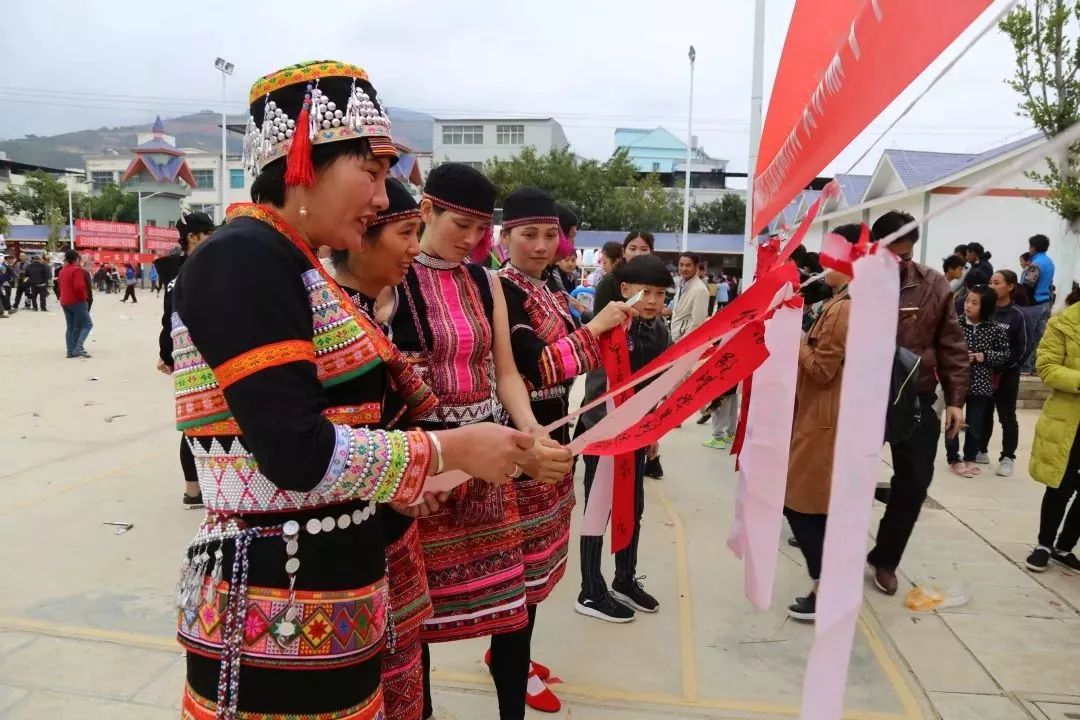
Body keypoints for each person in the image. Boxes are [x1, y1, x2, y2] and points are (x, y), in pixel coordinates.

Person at [169, 60, 538, 719]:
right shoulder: (242, 257)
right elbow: (296, 453)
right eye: (370, 173)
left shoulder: (295, 265)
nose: (379, 198)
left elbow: (358, 421)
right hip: (273, 616)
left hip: (327, 600)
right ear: (303, 162)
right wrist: (447, 453)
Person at [387, 163, 572, 720]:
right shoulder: (395, 277)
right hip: (431, 460)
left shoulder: (483, 280)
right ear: (426, 212)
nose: (471, 240)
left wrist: (532, 432)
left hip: (489, 458)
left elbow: (507, 373)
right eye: (460, 224)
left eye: (479, 228)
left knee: (511, 608)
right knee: (418, 618)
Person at [496, 186, 633, 712]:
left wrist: (606, 327)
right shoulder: (501, 291)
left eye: (550, 235)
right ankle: (510, 667)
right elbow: (539, 366)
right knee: (519, 577)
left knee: (539, 571)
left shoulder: (552, 283)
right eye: (528, 234)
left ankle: (517, 657)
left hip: (556, 435)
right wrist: (596, 331)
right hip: (519, 442)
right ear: (504, 237)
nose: (540, 245)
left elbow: (574, 347)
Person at [328, 177, 436, 720]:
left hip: (393, 526)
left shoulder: (371, 311)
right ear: (359, 236)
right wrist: (407, 476)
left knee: (406, 663)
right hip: (357, 535)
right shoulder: (334, 321)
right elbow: (337, 444)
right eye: (406, 233)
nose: (417, 247)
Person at [866, 210, 969, 595]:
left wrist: (956, 400)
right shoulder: (853, 282)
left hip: (916, 397)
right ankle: (829, 546)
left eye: (907, 255)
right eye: (893, 254)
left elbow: (952, 343)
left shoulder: (934, 284)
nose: (901, 262)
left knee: (914, 483)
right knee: (849, 478)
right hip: (863, 397)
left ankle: (885, 559)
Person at [574, 254, 671, 623]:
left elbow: (655, 385)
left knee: (634, 507)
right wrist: (608, 435)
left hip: (637, 435)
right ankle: (590, 588)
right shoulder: (608, 327)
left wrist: (652, 431)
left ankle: (625, 579)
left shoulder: (659, 331)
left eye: (660, 294)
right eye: (645, 291)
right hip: (604, 433)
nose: (651, 301)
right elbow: (597, 389)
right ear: (625, 290)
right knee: (598, 509)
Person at [784, 223, 863, 621]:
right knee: (822, 506)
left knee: (801, 505)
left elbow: (821, 369)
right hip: (836, 414)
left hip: (825, 418)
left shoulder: (842, 308)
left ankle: (826, 586)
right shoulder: (853, 301)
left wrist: (796, 340)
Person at [156, 211, 216, 509]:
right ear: (193, 237)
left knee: (195, 422)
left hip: (186, 356)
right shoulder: (197, 270)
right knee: (199, 422)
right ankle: (196, 489)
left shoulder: (177, 272)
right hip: (201, 356)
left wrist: (166, 354)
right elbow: (173, 320)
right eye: (208, 233)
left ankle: (194, 490)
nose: (213, 238)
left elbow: (167, 321)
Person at [1025, 286, 1080, 573]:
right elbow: (1046, 367)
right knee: (1061, 484)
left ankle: (1065, 545)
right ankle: (1044, 544)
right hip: (1068, 419)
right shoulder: (1064, 324)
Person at [944, 286, 1010, 478]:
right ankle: (953, 458)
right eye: (967, 301)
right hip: (956, 381)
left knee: (975, 423)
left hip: (981, 381)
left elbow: (1005, 354)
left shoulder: (996, 329)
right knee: (953, 421)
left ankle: (970, 457)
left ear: (986, 306)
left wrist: (984, 356)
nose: (968, 306)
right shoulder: (954, 324)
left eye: (974, 303)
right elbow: (944, 349)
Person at [978, 271, 1029, 476]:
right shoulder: (985, 311)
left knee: (1007, 416)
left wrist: (1005, 365)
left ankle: (1008, 457)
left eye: (997, 283)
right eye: (990, 282)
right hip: (985, 371)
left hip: (1007, 374)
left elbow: (1023, 347)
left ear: (1010, 286)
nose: (992, 286)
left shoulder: (1017, 315)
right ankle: (981, 450)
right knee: (984, 412)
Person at [594, 231, 653, 315]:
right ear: (624, 252)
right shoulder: (610, 281)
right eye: (632, 249)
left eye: (644, 249)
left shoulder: (653, 281)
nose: (638, 254)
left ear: (651, 252)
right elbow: (597, 320)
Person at [1023, 233, 1056, 374]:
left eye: (1030, 246)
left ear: (1034, 247)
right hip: (1045, 303)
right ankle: (1036, 367)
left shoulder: (1035, 264)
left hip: (1033, 304)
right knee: (1039, 338)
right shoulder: (1049, 262)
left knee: (1027, 336)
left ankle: (1025, 367)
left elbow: (1029, 285)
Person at [58, 249, 93, 358]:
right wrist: (84, 299)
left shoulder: (62, 271)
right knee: (87, 324)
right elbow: (79, 287)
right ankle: (78, 348)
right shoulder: (77, 270)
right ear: (76, 259)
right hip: (77, 301)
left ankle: (70, 351)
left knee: (71, 326)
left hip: (65, 301)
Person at [670, 251, 709, 343]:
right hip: (675, 337)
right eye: (681, 265)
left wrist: (682, 343)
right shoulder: (681, 285)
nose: (684, 268)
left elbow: (697, 323)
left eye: (688, 265)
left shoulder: (700, 290)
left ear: (696, 267)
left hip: (684, 342)